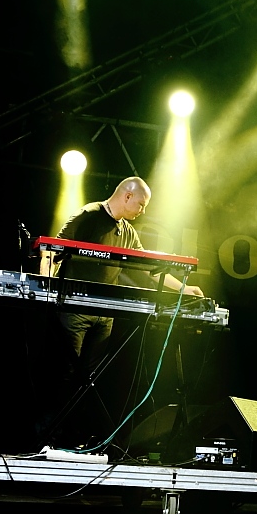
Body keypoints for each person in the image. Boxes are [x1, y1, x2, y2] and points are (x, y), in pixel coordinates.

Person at [36, 176, 203, 447]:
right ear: (127, 196)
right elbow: (52, 249)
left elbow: (148, 268)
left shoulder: (127, 231)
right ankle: (46, 437)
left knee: (88, 381)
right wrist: (44, 288)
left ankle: (71, 439)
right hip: (76, 310)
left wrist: (185, 288)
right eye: (141, 204)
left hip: (105, 314)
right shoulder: (89, 215)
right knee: (65, 373)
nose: (143, 211)